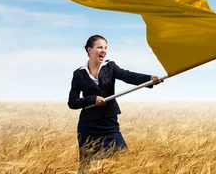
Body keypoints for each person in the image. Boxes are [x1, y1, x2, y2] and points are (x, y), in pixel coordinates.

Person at [67, 34, 163, 164]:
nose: (104, 51)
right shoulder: (79, 74)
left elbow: (128, 76)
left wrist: (149, 79)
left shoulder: (110, 67)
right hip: (88, 125)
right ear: (90, 50)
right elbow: (72, 102)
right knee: (86, 164)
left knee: (124, 157)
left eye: (105, 47)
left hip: (108, 123)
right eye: (99, 47)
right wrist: (92, 99)